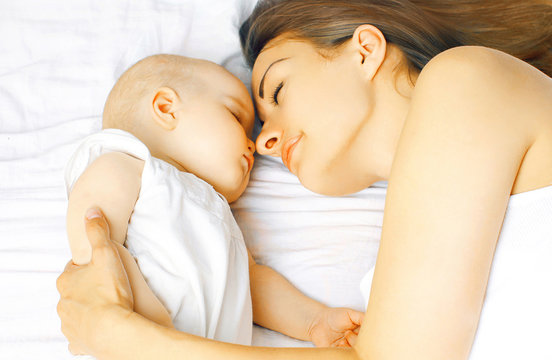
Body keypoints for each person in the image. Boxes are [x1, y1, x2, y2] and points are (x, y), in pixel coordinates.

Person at [57, 1, 552, 359]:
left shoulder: (464, 79)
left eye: (278, 88)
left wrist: (122, 337)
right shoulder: (410, 250)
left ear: (364, 49)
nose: (265, 143)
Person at [63, 54, 364, 353]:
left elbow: (252, 286)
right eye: (235, 116)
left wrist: (314, 321)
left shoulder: (214, 211)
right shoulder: (127, 162)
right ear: (166, 109)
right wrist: (147, 329)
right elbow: (95, 249)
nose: (252, 145)